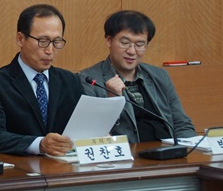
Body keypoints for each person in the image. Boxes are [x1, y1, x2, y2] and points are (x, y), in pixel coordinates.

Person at [0, 4, 84, 156]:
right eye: (43, 41)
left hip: (66, 169)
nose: (50, 50)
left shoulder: (70, 80)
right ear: (20, 39)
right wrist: (40, 144)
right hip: (21, 171)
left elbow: (81, 127)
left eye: (56, 42)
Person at [81, 10, 196, 143]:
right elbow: (93, 135)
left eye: (140, 45)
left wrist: (190, 150)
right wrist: (112, 101)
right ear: (109, 40)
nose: (132, 51)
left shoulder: (159, 76)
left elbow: (181, 124)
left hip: (167, 154)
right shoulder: (89, 80)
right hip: (129, 158)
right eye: (125, 43)